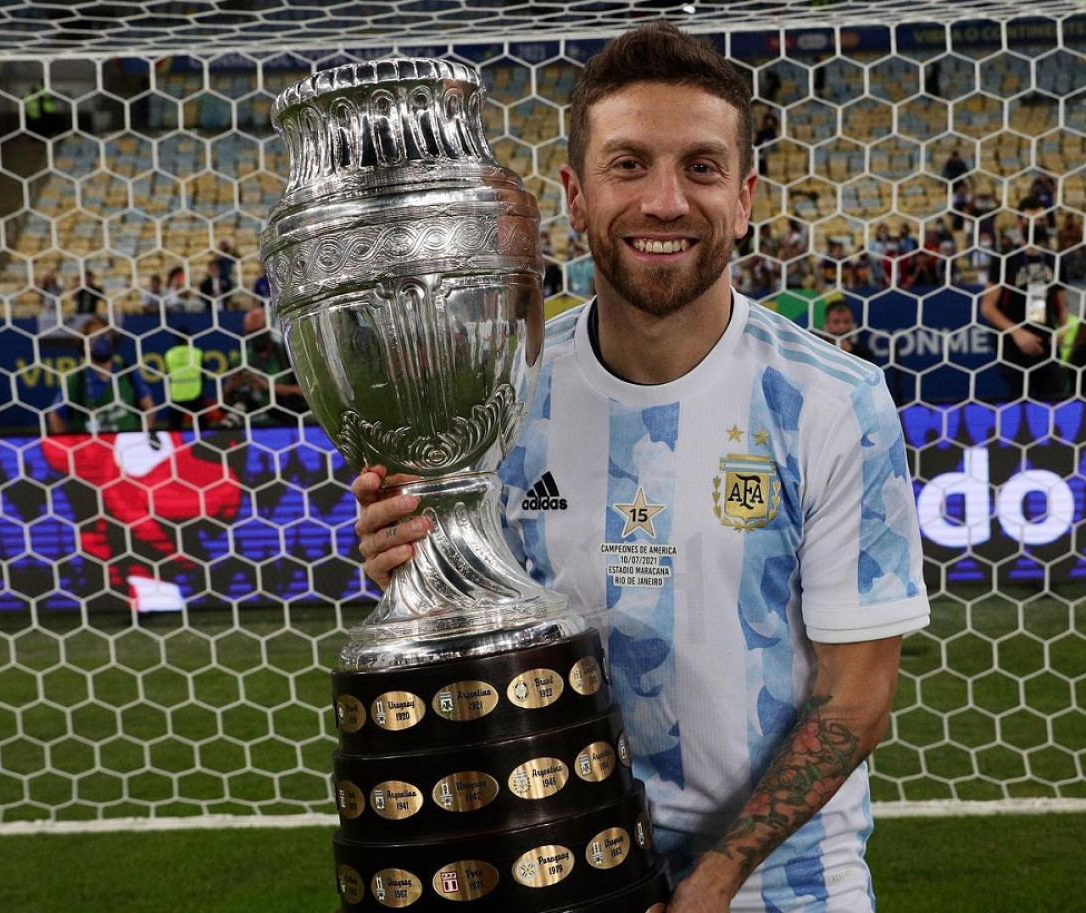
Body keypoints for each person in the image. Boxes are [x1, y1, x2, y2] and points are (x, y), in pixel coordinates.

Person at [352, 23, 929, 913]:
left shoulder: (833, 402)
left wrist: (718, 876)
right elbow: (475, 637)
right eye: (630, 166)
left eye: (700, 168)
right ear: (576, 199)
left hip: (782, 886)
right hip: (552, 874)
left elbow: (857, 695)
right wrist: (416, 562)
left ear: (743, 198)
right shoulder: (493, 401)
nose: (666, 201)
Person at [979, 196, 1069, 401]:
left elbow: (1062, 305)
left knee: (1055, 402)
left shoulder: (1054, 260)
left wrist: (1061, 332)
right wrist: (1018, 333)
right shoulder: (1005, 258)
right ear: (1019, 222)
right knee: (1022, 410)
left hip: (1047, 346)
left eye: (1042, 222)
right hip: (1014, 347)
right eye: (1032, 221)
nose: (1038, 225)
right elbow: (988, 307)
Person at [46, 317, 156, 435]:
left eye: (105, 335)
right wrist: (67, 444)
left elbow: (149, 406)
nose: (102, 340)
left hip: (124, 445)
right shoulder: (76, 379)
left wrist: (143, 436)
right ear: (84, 344)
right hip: (90, 448)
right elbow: (55, 416)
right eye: (95, 337)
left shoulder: (128, 372)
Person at [220, 305, 308, 427]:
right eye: (252, 332)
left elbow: (305, 391)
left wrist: (267, 386)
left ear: (269, 328)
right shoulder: (240, 361)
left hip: (287, 420)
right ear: (246, 333)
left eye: (260, 330)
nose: (257, 336)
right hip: (251, 426)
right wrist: (230, 388)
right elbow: (225, 404)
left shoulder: (286, 354)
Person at [162, 326, 206, 431]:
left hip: (177, 395)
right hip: (195, 393)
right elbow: (203, 374)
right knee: (202, 427)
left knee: (174, 428)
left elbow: (167, 375)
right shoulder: (197, 353)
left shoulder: (169, 354)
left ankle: (174, 445)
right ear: (188, 338)